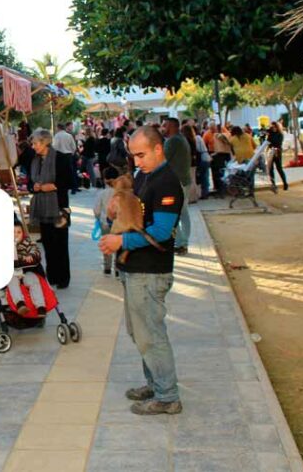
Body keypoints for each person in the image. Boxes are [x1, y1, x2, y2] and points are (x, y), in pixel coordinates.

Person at [98, 126, 184, 416]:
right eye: (133, 156)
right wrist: (115, 210)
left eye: (141, 155)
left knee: (151, 335)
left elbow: (161, 231)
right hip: (135, 268)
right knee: (140, 333)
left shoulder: (167, 182)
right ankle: (156, 383)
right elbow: (136, 211)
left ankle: (167, 395)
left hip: (150, 271)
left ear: (158, 149)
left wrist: (120, 240)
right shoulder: (145, 175)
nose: (136, 162)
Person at [29, 129, 73, 289]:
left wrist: (52, 186)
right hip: (42, 208)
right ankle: (53, 276)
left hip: (58, 207)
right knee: (48, 244)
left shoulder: (60, 158)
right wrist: (33, 186)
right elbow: (29, 181)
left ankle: (63, 278)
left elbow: (69, 180)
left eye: (35, 143)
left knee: (60, 243)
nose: (33, 146)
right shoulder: (35, 160)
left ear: (45, 142)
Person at [162, 118, 192, 255]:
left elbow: (162, 158)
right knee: (183, 213)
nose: (162, 128)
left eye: (165, 125)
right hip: (184, 180)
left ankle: (180, 243)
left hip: (176, 182)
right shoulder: (181, 138)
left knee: (174, 213)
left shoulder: (173, 141)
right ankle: (183, 242)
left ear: (172, 127)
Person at [5, 219, 46, 315]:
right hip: (13, 274)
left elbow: (35, 250)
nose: (15, 235)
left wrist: (31, 256)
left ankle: (40, 306)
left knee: (33, 279)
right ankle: (20, 303)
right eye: (13, 232)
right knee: (11, 281)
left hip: (26, 271)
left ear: (23, 233)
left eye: (19, 232)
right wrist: (21, 257)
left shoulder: (27, 242)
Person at [52, 123, 80, 194]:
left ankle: (62, 187)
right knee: (70, 172)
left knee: (61, 173)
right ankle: (72, 187)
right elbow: (73, 147)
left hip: (60, 156)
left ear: (58, 128)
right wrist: (71, 153)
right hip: (68, 156)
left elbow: (54, 147)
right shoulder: (69, 136)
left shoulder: (57, 136)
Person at [266, 122, 289, 191]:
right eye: (272, 127)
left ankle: (285, 183)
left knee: (279, 168)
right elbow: (267, 142)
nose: (273, 128)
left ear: (277, 127)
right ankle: (273, 184)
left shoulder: (280, 134)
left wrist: (270, 137)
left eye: (274, 127)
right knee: (270, 169)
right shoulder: (270, 134)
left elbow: (277, 142)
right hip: (271, 152)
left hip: (277, 152)